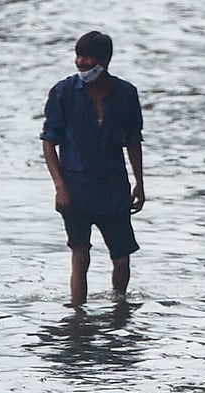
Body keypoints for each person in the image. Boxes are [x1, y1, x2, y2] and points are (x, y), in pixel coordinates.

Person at [40, 31, 145, 306]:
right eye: (78, 55)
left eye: (88, 56)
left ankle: (119, 306)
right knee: (80, 254)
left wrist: (140, 183)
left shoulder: (125, 94)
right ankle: (77, 312)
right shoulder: (63, 92)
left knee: (121, 257)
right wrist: (60, 187)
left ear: (105, 60)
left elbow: (133, 140)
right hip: (75, 189)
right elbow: (49, 142)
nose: (81, 62)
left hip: (114, 188)